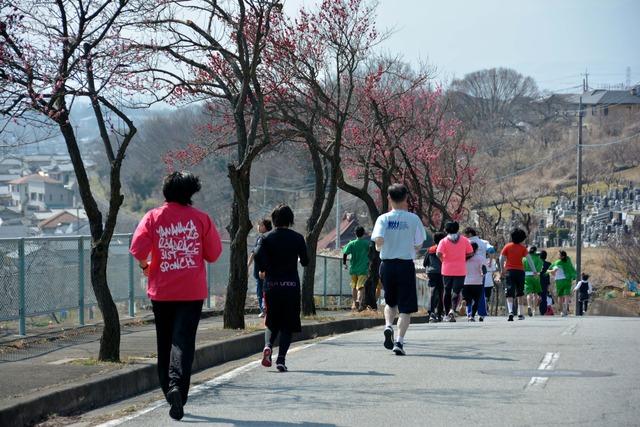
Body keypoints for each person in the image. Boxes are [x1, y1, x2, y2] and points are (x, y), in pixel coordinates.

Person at [130, 172, 222, 421]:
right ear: (191, 193)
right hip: (192, 292)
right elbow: (213, 255)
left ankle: (169, 391)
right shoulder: (201, 219)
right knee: (183, 342)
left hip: (161, 290)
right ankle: (177, 388)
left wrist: (145, 266)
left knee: (164, 341)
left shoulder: (153, 217)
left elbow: (137, 248)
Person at [372, 184, 426, 356]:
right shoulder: (413, 219)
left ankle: (388, 325)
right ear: (406, 198)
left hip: (387, 265)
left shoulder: (383, 219)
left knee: (390, 302)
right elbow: (419, 243)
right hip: (405, 265)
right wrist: (411, 247)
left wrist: (381, 247)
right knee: (405, 308)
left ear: (389, 198)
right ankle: (399, 342)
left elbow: (378, 239)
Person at [255, 204, 309, 372]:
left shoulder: (266, 238)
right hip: (291, 286)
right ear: (290, 220)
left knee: (271, 320)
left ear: (274, 219)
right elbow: (306, 261)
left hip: (271, 286)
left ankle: (268, 346)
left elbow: (257, 254)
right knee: (288, 324)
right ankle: (281, 360)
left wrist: (263, 269)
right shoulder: (297, 238)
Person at [437, 221, 474, 322]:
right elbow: (470, 253)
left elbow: (438, 253)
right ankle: (452, 310)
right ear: (457, 229)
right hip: (460, 269)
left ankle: (446, 312)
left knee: (447, 291)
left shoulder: (443, 241)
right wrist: (462, 258)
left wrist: (443, 261)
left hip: (446, 269)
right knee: (456, 291)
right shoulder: (465, 240)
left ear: (446, 230)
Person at [499, 228, 538, 321]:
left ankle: (511, 312)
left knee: (509, 292)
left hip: (509, 271)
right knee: (520, 292)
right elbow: (529, 260)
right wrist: (534, 271)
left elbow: (501, 258)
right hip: (520, 272)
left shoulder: (507, 246)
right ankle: (520, 314)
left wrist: (502, 269)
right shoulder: (522, 248)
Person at [247, 218, 272, 317]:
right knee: (264, 290)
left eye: (260, 225)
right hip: (265, 270)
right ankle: (266, 309)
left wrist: (248, 266)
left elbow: (255, 253)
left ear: (265, 227)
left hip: (262, 270)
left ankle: (264, 310)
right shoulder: (263, 238)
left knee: (261, 290)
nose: (258, 227)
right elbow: (254, 253)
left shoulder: (262, 238)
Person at [342, 226, 370, 311]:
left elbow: (345, 253)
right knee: (361, 287)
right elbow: (372, 253)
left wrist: (344, 263)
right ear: (364, 233)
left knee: (354, 287)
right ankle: (359, 300)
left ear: (355, 233)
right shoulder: (366, 243)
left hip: (353, 268)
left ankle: (354, 303)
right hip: (363, 268)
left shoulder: (351, 243)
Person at [424, 231, 446, 322]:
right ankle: (439, 313)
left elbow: (425, 263)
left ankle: (431, 312)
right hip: (442, 272)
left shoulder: (430, 249)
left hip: (431, 272)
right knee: (441, 292)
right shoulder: (445, 249)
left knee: (433, 290)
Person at [548, 250, 577, 317]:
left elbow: (549, 269)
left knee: (560, 296)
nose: (558, 256)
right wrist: (573, 276)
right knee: (566, 295)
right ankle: (565, 309)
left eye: (559, 255)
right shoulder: (568, 261)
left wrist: (552, 273)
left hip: (559, 281)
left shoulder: (557, 262)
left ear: (562, 256)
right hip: (567, 280)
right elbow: (572, 269)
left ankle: (561, 311)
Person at [463, 242, 486, 321]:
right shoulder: (481, 258)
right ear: (477, 249)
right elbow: (483, 270)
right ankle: (472, 315)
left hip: (466, 282)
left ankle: (469, 314)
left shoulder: (463, 258)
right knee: (476, 300)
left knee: (468, 300)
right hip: (477, 282)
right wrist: (482, 274)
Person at [523, 246, 543, 317]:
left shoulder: (524, 258)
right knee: (535, 294)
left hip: (527, 276)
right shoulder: (538, 259)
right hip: (536, 276)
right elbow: (540, 267)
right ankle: (535, 310)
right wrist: (536, 271)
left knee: (529, 293)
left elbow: (523, 268)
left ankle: (529, 306)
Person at [538, 250, 552, 315]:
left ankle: (534, 309)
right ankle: (543, 310)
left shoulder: (536, 263)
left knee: (536, 295)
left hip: (537, 280)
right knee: (544, 296)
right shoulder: (548, 264)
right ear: (546, 256)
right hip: (545, 282)